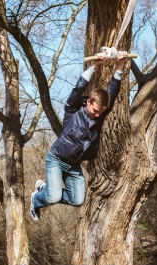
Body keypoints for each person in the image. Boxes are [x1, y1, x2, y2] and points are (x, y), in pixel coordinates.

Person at [30, 50, 128, 220]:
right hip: (56, 159)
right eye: (95, 111)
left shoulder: (99, 116)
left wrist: (119, 65)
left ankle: (45, 189)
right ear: (88, 102)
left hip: (74, 165)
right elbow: (78, 89)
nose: (98, 115)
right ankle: (36, 199)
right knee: (53, 197)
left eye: (101, 112)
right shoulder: (72, 110)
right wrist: (93, 66)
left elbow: (112, 91)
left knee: (77, 200)